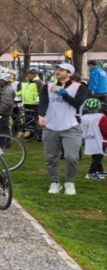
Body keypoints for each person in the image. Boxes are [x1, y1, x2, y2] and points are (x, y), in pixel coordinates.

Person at [40, 62, 90, 195]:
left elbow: (77, 103)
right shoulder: (47, 86)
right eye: (57, 69)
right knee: (51, 157)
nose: (58, 71)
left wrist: (62, 93)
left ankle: (69, 182)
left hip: (71, 126)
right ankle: (54, 182)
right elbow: (43, 102)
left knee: (71, 157)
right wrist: (40, 116)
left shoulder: (80, 88)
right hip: (50, 126)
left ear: (70, 74)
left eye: (62, 70)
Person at [81, 98, 107, 180]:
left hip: (89, 139)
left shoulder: (83, 117)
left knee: (95, 155)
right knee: (98, 156)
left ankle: (99, 170)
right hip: (101, 140)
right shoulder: (101, 117)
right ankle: (91, 172)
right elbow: (105, 129)